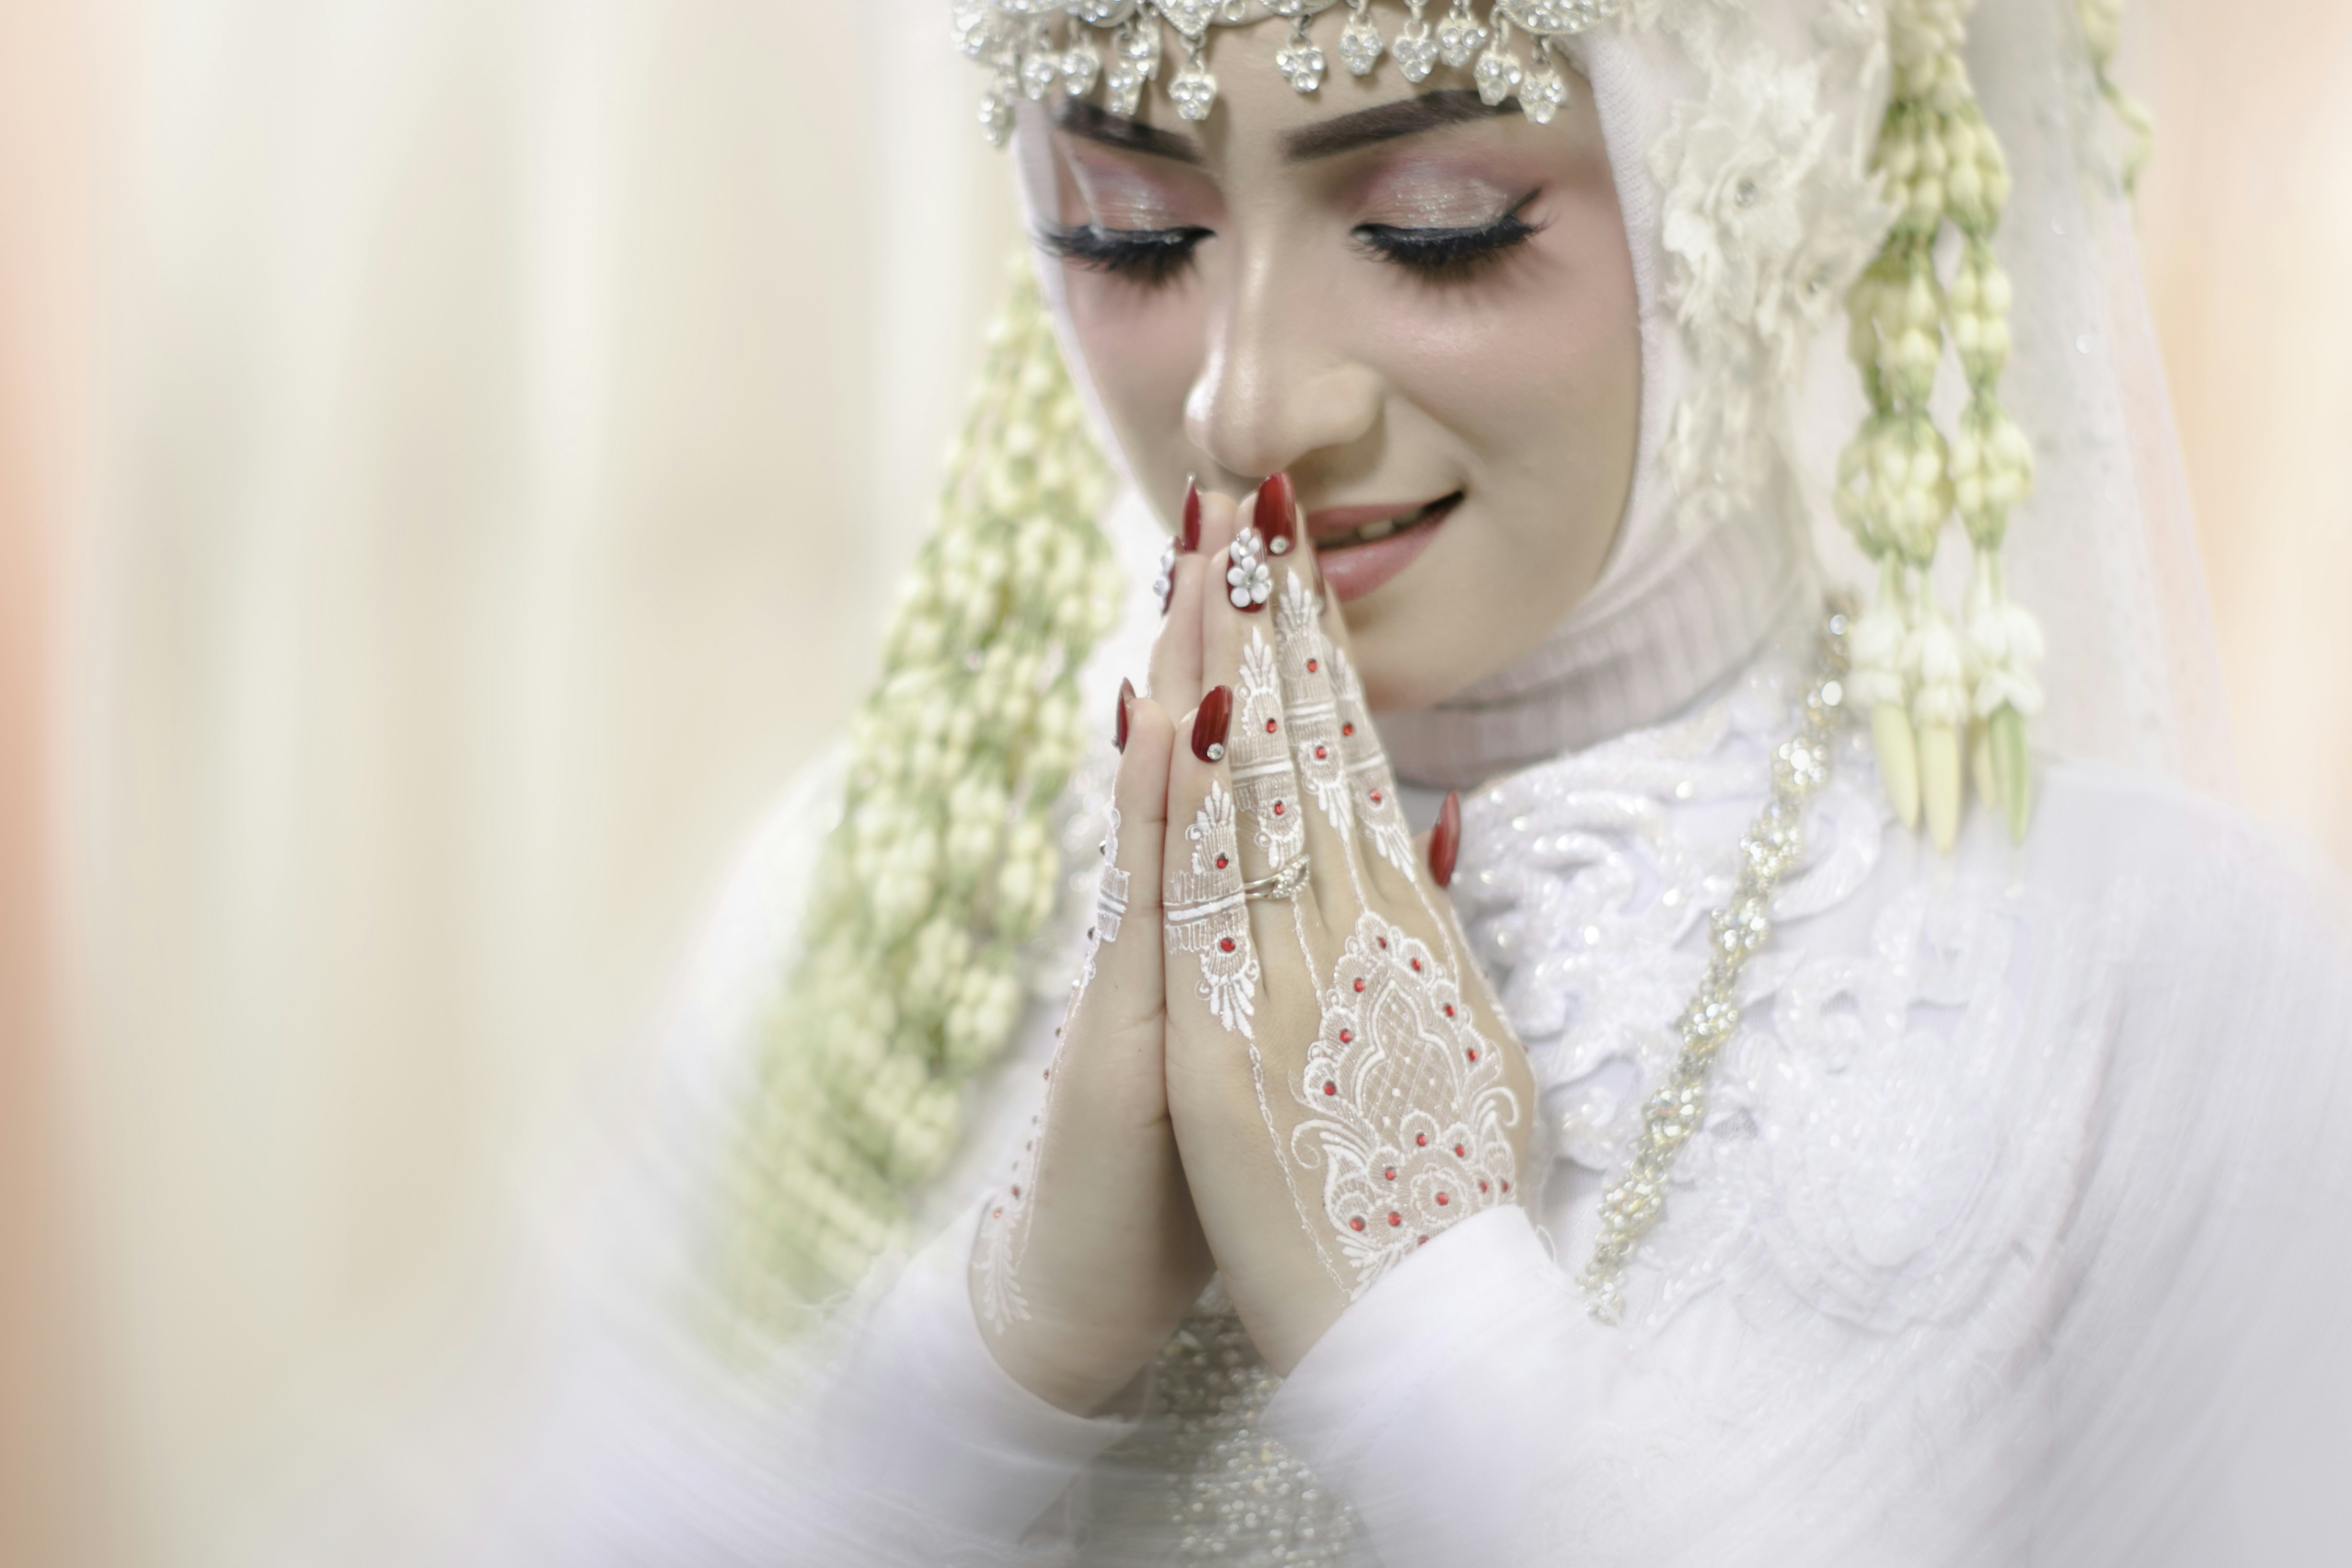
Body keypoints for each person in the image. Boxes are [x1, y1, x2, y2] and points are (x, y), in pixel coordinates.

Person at [565, 3, 2352, 1564]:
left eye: (1435, 232)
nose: (1248, 409)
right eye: (1122, 233)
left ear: (1738, 184)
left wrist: (1431, 1324)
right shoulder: (882, 913)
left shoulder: (2160, 992)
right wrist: (989, 1352)